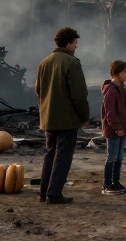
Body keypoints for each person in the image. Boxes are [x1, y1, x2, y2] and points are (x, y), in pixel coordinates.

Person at [34, 27, 90, 205]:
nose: (76, 46)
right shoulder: (72, 63)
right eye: (75, 43)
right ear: (68, 43)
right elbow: (79, 95)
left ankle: (44, 193)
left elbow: (38, 90)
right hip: (67, 119)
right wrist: (84, 116)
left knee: (50, 154)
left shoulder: (44, 62)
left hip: (48, 118)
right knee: (63, 156)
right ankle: (54, 194)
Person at [101, 59, 126, 195]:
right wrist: (117, 127)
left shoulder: (122, 89)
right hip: (113, 130)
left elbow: (125, 110)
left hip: (122, 129)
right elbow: (110, 113)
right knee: (112, 157)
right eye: (125, 72)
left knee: (119, 157)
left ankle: (116, 182)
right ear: (117, 73)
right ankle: (107, 185)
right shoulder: (111, 90)